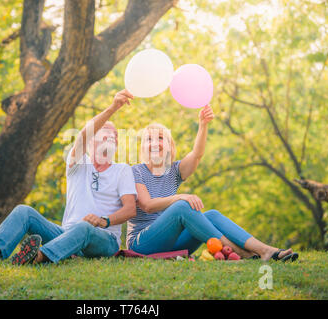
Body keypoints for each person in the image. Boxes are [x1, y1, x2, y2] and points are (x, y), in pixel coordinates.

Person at [0, 89, 137, 265]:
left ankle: (37, 257)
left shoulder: (122, 170)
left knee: (85, 228)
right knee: (23, 211)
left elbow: (130, 210)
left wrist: (104, 221)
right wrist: (112, 108)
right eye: (104, 131)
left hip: (103, 240)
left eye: (114, 135)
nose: (111, 136)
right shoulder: (78, 163)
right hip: (66, 235)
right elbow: (83, 134)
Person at [126, 105, 299, 262]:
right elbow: (147, 205)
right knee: (181, 206)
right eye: (149, 139)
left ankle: (264, 249)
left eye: (161, 138)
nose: (155, 143)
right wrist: (180, 197)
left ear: (170, 146)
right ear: (143, 147)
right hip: (142, 244)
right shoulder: (136, 171)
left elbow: (197, 154)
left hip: (172, 244)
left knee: (212, 215)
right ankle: (243, 252)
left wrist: (203, 124)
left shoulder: (174, 170)